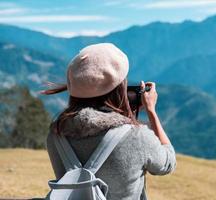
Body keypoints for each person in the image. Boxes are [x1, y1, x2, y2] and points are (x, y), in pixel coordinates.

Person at [42, 43, 176, 200]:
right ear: (119, 89)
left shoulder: (56, 134)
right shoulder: (137, 136)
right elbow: (168, 163)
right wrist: (151, 111)